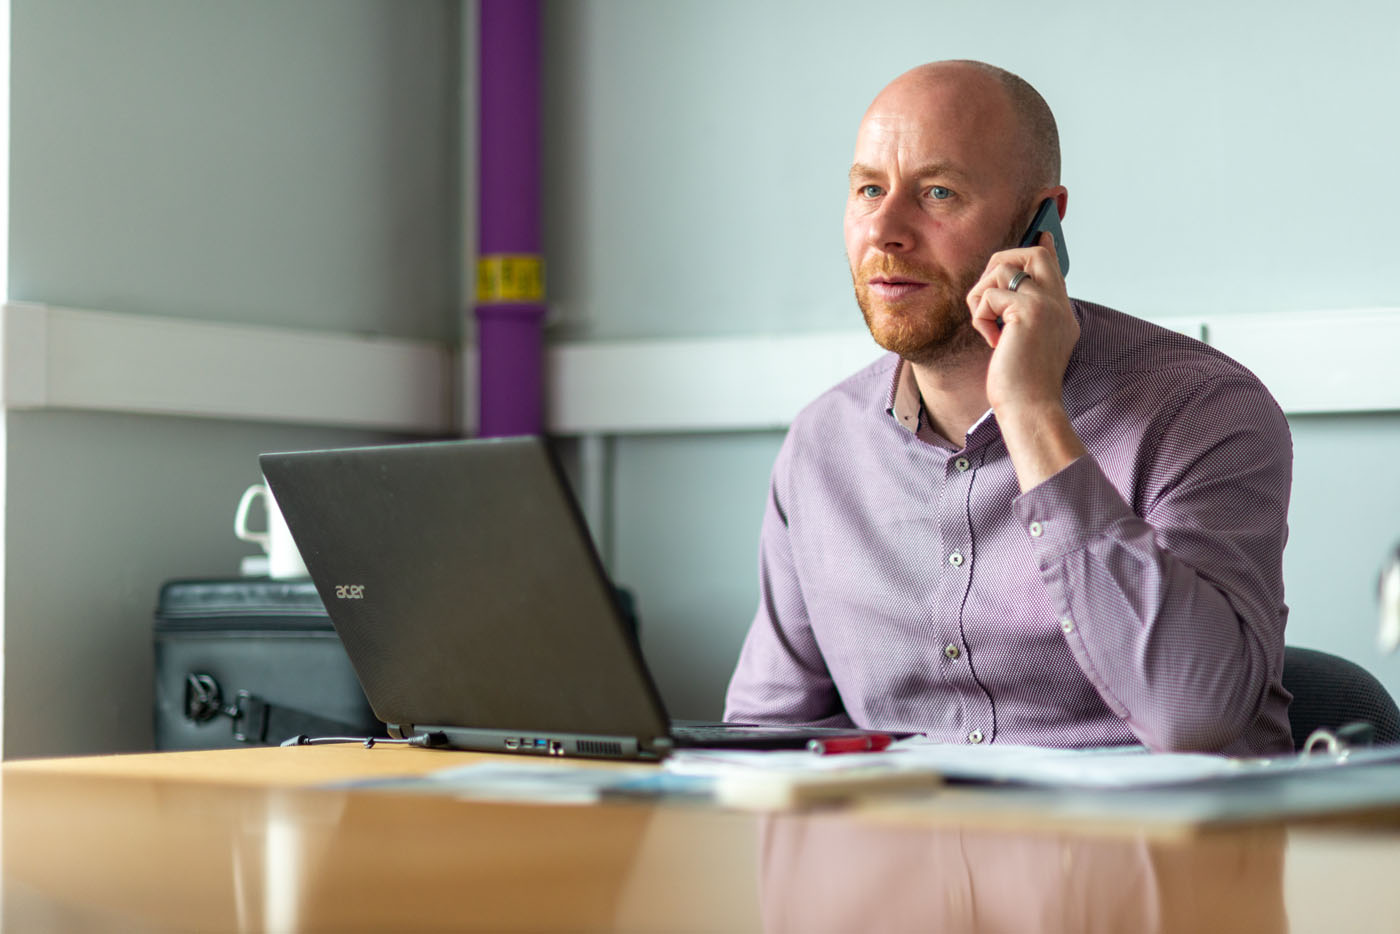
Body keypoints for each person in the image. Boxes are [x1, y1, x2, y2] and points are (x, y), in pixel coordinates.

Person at [723, 60, 1294, 755]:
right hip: (906, 857)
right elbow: (763, 741)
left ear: (1039, 223)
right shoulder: (822, 446)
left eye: (937, 193)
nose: (885, 230)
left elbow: (1196, 718)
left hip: (1144, 857)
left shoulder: (1199, 410)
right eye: (869, 190)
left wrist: (1030, 414)